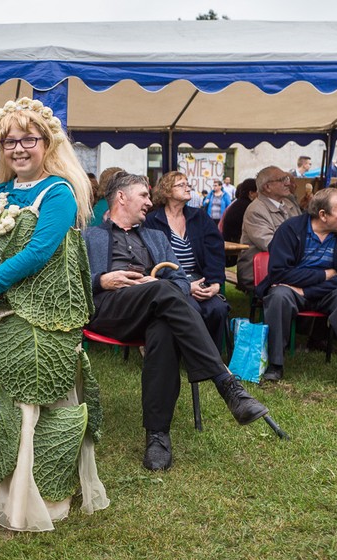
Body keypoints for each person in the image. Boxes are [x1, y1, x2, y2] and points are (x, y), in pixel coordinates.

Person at [0, 96, 109, 531]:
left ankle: (29, 500)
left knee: (31, 406)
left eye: (28, 140)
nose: (18, 149)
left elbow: (37, 253)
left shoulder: (60, 193)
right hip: (1, 317)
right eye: (9, 141)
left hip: (41, 322)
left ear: (46, 143)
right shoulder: (0, 193)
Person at [83, 171, 270, 471]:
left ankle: (158, 437)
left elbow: (181, 280)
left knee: (164, 327)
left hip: (155, 308)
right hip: (109, 308)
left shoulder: (155, 236)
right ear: (121, 197)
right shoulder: (88, 236)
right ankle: (226, 384)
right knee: (161, 290)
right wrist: (103, 279)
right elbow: (71, 280)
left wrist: (155, 284)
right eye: (143, 195)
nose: (149, 201)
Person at [257, 188, 337, 394]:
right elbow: (278, 273)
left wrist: (305, 290)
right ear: (323, 215)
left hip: (329, 292)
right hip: (294, 289)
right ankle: (275, 365)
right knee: (278, 296)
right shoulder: (290, 229)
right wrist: (325, 274)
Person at [145, 171, 230, 348]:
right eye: (181, 185)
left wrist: (215, 284)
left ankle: (211, 357)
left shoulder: (199, 217)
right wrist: (183, 285)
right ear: (167, 192)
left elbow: (215, 251)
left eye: (187, 183)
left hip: (199, 278)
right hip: (169, 281)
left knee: (218, 308)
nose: (187, 187)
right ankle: (189, 354)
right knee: (192, 308)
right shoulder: (153, 221)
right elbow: (151, 259)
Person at [236, 166, 302, 292]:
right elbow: (271, 244)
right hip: (261, 272)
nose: (288, 183)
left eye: (287, 178)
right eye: (282, 179)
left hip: (288, 267)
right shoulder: (256, 210)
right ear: (267, 187)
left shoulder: (289, 204)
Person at [220, 177, 257, 244]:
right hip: (237, 244)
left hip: (228, 241)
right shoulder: (249, 207)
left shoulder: (236, 204)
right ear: (251, 193)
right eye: (258, 192)